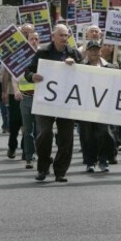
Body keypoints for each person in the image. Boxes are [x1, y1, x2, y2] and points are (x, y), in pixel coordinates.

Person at [25, 24, 82, 182]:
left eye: (66, 35)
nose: (64, 38)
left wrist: (76, 65)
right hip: (46, 101)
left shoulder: (74, 53)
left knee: (66, 137)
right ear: (53, 36)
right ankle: (43, 168)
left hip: (67, 102)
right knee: (45, 133)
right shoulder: (42, 52)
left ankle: (60, 171)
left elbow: (86, 73)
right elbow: (28, 71)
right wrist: (33, 76)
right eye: (61, 35)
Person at [78, 40, 117, 173]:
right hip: (85, 106)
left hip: (103, 107)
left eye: (96, 49)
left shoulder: (110, 67)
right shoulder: (80, 66)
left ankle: (104, 159)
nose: (94, 52)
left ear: (100, 51)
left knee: (104, 133)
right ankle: (89, 162)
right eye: (91, 50)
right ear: (87, 51)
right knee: (87, 135)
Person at [18, 31, 40, 169]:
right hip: (26, 98)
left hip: (40, 99)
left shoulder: (43, 56)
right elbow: (15, 75)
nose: (34, 41)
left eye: (36, 39)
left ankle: (40, 153)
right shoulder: (22, 57)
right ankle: (29, 157)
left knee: (40, 131)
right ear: (27, 40)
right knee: (28, 130)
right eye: (32, 39)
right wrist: (15, 90)